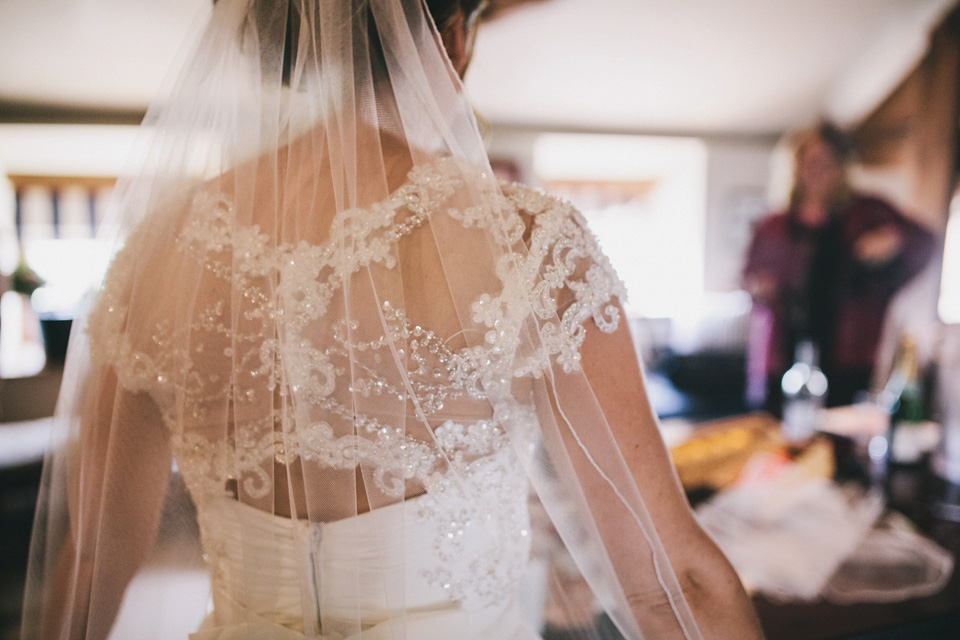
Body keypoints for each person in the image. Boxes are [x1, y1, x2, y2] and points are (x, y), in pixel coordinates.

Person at [21, 1, 763, 639]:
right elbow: (674, 587)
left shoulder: (159, 251)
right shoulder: (528, 245)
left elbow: (90, 560)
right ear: (454, 40)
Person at [743, 123, 935, 413]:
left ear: (842, 165)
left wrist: (894, 240)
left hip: (849, 351)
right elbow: (749, 278)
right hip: (782, 351)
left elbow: (924, 241)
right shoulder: (773, 226)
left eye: (827, 160)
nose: (817, 169)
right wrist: (758, 289)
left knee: (839, 435)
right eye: (809, 160)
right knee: (776, 438)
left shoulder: (868, 212)